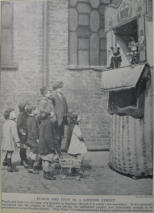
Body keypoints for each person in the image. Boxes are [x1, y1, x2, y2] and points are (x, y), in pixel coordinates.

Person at [39, 101, 58, 180]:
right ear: (49, 115)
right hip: (47, 146)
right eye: (52, 114)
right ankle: (47, 174)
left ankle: (45, 172)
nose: (54, 115)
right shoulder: (49, 123)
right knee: (48, 160)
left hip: (42, 145)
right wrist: (52, 147)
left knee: (44, 159)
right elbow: (48, 137)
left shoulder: (43, 122)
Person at [50, 81, 68, 155]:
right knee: (56, 136)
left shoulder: (62, 96)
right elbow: (51, 104)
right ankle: (55, 152)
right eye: (60, 88)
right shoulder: (53, 96)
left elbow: (65, 106)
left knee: (61, 135)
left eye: (61, 88)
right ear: (56, 89)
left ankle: (59, 150)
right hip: (57, 119)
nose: (61, 89)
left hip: (62, 118)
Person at [2, 108, 20, 172]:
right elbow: (15, 134)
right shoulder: (13, 123)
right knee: (10, 153)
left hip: (6, 141)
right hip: (10, 141)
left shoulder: (5, 123)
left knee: (9, 151)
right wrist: (17, 142)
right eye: (13, 113)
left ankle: (5, 161)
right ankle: (9, 167)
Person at [24, 103, 39, 174]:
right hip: (33, 138)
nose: (37, 110)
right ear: (33, 111)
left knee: (31, 152)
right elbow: (34, 130)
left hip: (28, 138)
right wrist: (37, 138)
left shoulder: (28, 118)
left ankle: (30, 166)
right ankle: (31, 167)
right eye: (36, 109)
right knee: (34, 152)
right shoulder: (33, 119)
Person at [17, 102, 29, 167]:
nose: (27, 107)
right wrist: (22, 132)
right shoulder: (21, 114)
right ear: (23, 107)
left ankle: (24, 159)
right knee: (22, 147)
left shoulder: (25, 114)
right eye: (26, 106)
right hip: (22, 134)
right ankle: (23, 160)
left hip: (25, 133)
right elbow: (19, 125)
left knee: (24, 147)